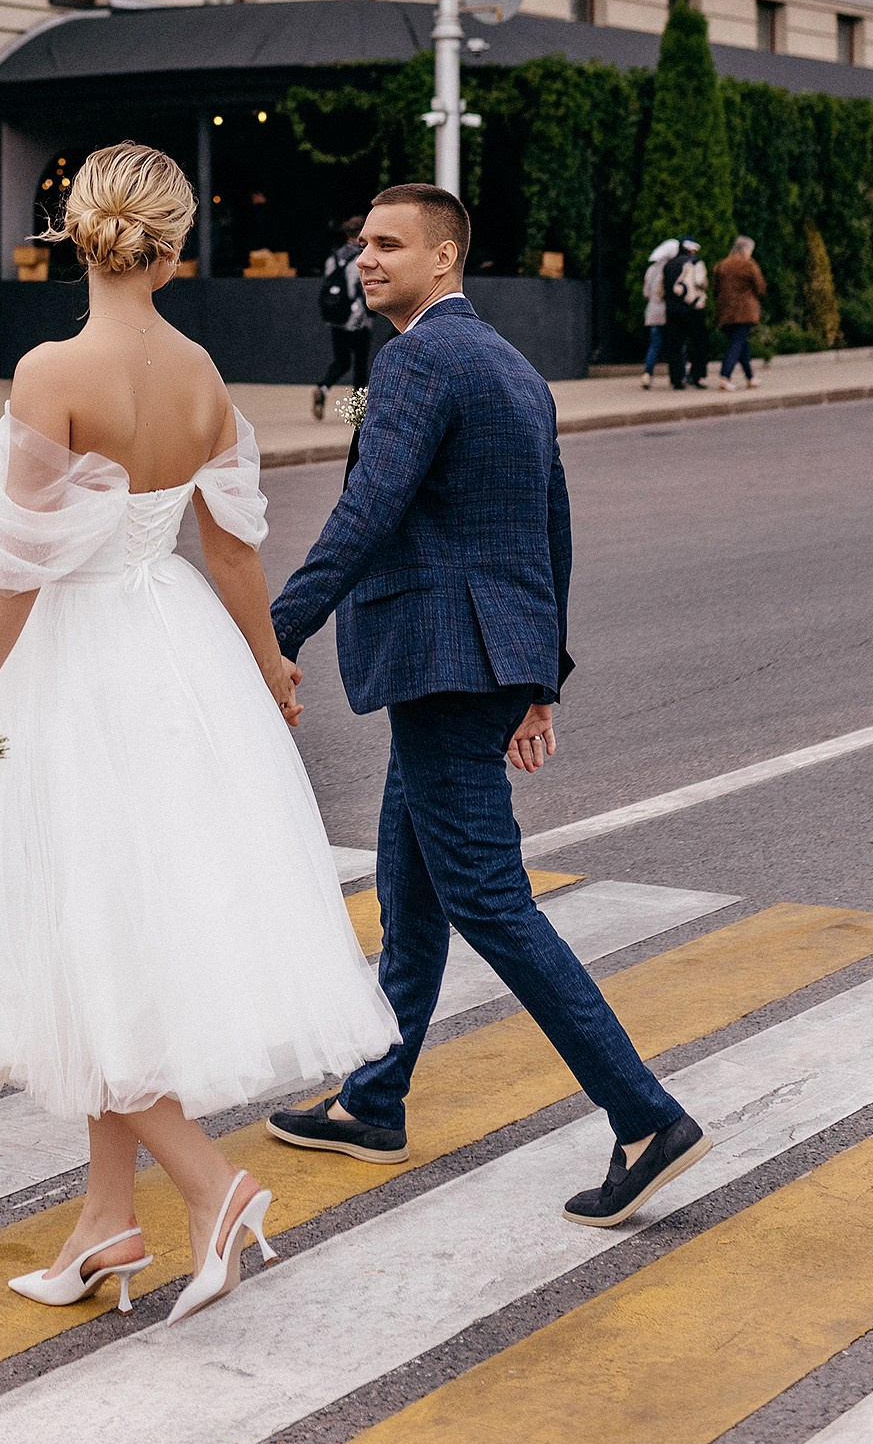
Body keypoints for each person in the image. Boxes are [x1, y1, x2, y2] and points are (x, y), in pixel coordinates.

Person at [0, 143, 395, 1327]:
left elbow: (14, 572)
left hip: (74, 661)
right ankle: (103, 1224)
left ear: (72, 234)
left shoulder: (49, 370)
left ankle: (212, 1186)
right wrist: (267, 664)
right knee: (115, 934)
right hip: (177, 654)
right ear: (173, 250)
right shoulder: (200, 374)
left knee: (78, 938)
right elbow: (231, 547)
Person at [263, 183, 709, 1232]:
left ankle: (643, 1116)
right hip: (482, 659)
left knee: (489, 900)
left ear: (443, 258)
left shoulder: (416, 360)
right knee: (412, 892)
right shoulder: (511, 366)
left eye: (388, 244)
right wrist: (539, 677)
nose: (366, 259)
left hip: (441, 661)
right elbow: (551, 528)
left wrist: (273, 630)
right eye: (362, 242)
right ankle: (374, 1099)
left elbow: (368, 509)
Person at [313, 219, 371, 418]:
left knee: (342, 361)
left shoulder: (334, 257)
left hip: (337, 318)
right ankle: (358, 410)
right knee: (360, 364)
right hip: (357, 319)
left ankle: (323, 387)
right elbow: (359, 289)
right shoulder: (361, 258)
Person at [712, 235, 766, 388]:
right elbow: (760, 287)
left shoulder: (722, 265)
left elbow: (715, 289)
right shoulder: (748, 264)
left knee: (741, 343)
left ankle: (750, 377)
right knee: (737, 343)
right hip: (745, 310)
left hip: (726, 310)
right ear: (745, 249)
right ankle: (725, 376)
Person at [660, 238, 711, 391]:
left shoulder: (668, 265)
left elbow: (661, 289)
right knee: (699, 343)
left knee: (675, 345)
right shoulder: (695, 263)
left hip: (672, 310)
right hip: (692, 309)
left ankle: (677, 379)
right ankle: (696, 375)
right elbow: (701, 282)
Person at [638, 237, 677, 389]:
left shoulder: (651, 269)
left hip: (652, 311)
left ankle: (647, 374)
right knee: (676, 345)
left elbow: (646, 293)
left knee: (654, 344)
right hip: (666, 311)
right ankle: (678, 375)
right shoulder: (670, 268)